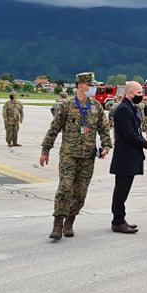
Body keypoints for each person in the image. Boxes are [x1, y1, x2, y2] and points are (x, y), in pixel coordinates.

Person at [39, 72, 112, 240]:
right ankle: (57, 224)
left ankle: (69, 222)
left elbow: (104, 129)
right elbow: (54, 128)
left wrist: (106, 146)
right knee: (65, 188)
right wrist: (45, 150)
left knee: (80, 194)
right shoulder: (66, 105)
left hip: (87, 156)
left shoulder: (96, 107)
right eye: (90, 85)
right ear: (80, 85)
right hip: (69, 154)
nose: (93, 88)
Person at [109, 81, 147, 234]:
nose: (141, 96)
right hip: (125, 156)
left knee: (124, 190)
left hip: (131, 155)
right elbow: (129, 134)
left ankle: (120, 219)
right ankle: (118, 221)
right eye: (139, 93)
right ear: (130, 93)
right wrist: (145, 143)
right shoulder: (124, 109)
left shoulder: (131, 108)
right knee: (121, 190)